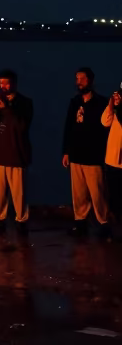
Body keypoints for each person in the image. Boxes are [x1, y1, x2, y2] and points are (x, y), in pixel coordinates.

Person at [0, 69, 33, 236]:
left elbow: (21, 126)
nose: (3, 86)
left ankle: (21, 222)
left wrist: (5, 109)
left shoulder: (25, 102)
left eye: (6, 83)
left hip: (17, 154)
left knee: (19, 192)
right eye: (1, 83)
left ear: (14, 84)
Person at [62, 67, 109, 238]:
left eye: (82, 78)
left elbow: (105, 130)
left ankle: (104, 225)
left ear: (90, 80)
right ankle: (80, 225)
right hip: (76, 155)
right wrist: (66, 152)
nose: (79, 82)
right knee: (79, 193)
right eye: (77, 78)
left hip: (93, 156)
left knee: (97, 193)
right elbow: (68, 127)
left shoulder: (101, 103)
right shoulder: (75, 102)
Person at [101, 85, 122, 239]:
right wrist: (110, 106)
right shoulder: (115, 110)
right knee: (114, 198)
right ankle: (116, 231)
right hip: (112, 161)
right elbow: (104, 122)